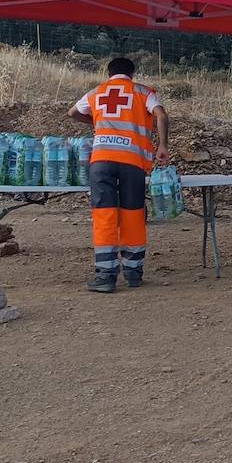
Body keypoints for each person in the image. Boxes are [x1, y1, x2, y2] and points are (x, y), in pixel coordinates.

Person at [68, 57, 170, 293]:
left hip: (101, 160)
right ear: (132, 73)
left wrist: (95, 123)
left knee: (104, 215)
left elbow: (72, 112)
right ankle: (133, 273)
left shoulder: (97, 92)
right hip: (132, 162)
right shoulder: (143, 92)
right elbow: (161, 116)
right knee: (133, 214)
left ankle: (105, 276)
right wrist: (163, 145)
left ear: (109, 72)